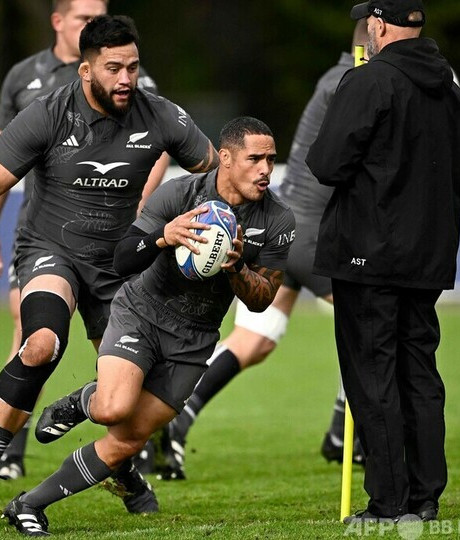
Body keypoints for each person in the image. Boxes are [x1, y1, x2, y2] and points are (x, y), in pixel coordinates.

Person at [0, 14, 218, 517]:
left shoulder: (162, 117)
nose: (126, 79)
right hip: (52, 250)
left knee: (127, 398)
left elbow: (217, 174)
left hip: (122, 266)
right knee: (41, 345)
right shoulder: (48, 114)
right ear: (86, 70)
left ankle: (123, 474)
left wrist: (204, 226)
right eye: (114, 68)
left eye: (133, 67)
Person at [0, 116, 295, 536]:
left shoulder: (279, 220)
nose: (265, 169)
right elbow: (122, 259)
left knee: (128, 439)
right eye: (255, 159)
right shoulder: (179, 194)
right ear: (226, 158)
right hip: (142, 314)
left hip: (195, 340)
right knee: (112, 408)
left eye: (271, 159)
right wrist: (164, 235)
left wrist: (236, 268)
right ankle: (87, 401)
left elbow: (262, 300)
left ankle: (28, 504)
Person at [149, 19, 373, 482]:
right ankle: (342, 432)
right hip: (318, 234)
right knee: (374, 322)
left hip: (290, 230)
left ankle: (176, 414)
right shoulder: (356, 83)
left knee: (255, 340)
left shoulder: (335, 78)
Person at [0, 0, 167, 481]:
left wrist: (143, 211)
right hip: (43, 234)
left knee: (130, 354)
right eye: (85, 17)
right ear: (58, 22)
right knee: (34, 336)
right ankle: (9, 453)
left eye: (99, 14)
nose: (94, 22)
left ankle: (128, 455)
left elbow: (161, 147)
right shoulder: (24, 78)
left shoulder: (129, 78)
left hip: (113, 242)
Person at [306, 0, 460, 524]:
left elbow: (326, 163)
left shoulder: (369, 81)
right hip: (427, 255)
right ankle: (425, 498)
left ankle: (389, 504)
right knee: (419, 374)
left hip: (368, 253)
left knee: (372, 378)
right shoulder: (450, 87)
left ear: (377, 24)